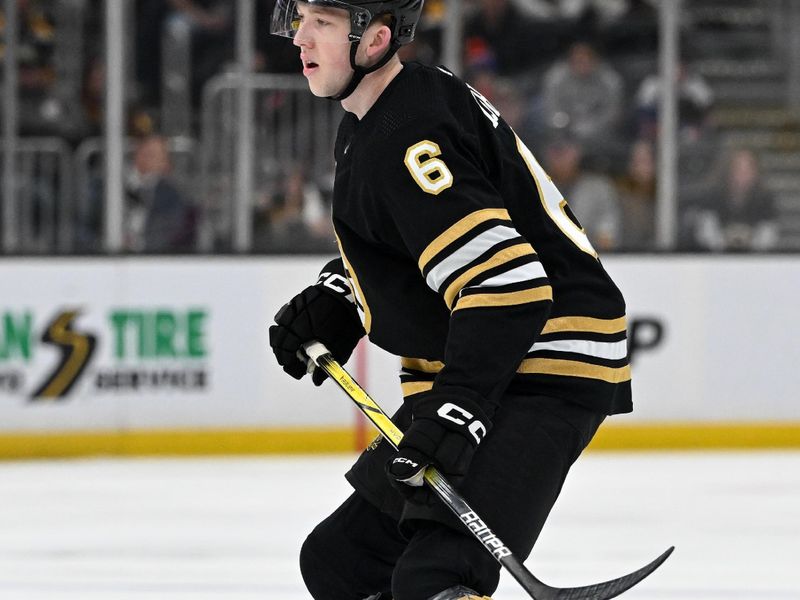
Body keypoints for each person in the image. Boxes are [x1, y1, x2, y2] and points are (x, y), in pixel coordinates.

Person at [267, 2, 632, 599]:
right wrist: (341, 295)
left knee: (433, 578)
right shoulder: (379, 119)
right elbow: (419, 251)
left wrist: (460, 406)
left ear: (376, 39)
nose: (300, 37)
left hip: (541, 366)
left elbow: (507, 286)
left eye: (323, 23)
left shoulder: (409, 130)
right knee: (340, 564)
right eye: (301, 17)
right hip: (486, 362)